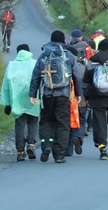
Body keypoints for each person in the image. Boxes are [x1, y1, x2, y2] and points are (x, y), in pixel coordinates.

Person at [29, 30, 82, 164]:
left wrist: (32, 94)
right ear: (63, 41)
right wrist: (78, 94)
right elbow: (77, 76)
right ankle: (59, 154)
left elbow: (35, 76)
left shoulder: (44, 55)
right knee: (62, 124)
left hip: (46, 94)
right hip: (63, 95)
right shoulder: (68, 55)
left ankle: (46, 146)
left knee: (46, 121)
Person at [0, 43, 39, 161]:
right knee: (33, 120)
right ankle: (31, 143)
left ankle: (20, 151)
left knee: (20, 124)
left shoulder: (12, 65)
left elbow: (6, 86)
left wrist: (7, 104)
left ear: (18, 53)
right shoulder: (35, 63)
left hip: (17, 100)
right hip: (33, 98)